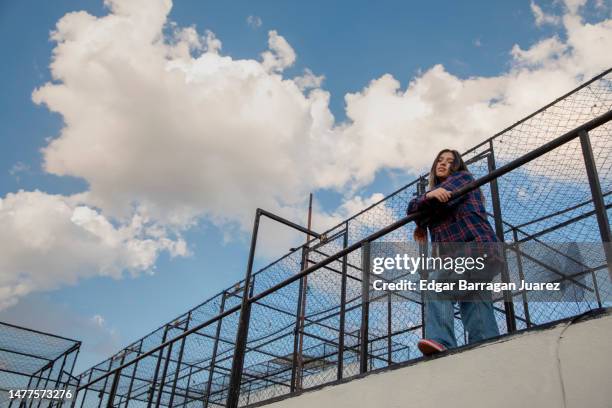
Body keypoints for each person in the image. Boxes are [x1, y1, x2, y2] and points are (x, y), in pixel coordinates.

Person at [407, 149, 501, 356]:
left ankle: (441, 341)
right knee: (474, 302)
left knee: (437, 284)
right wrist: (425, 206)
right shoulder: (436, 194)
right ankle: (489, 348)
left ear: (457, 167)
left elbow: (427, 206)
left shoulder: (463, 178)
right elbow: (415, 209)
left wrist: (425, 207)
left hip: (475, 248)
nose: (443, 164)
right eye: (439, 160)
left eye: (450, 162)